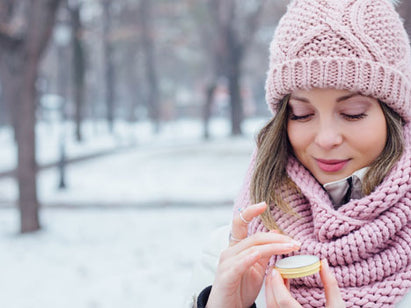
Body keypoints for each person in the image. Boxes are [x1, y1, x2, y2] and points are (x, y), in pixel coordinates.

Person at [187, 0, 411, 307]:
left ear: (394, 116)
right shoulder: (232, 257)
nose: (326, 138)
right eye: (302, 114)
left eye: (353, 113)